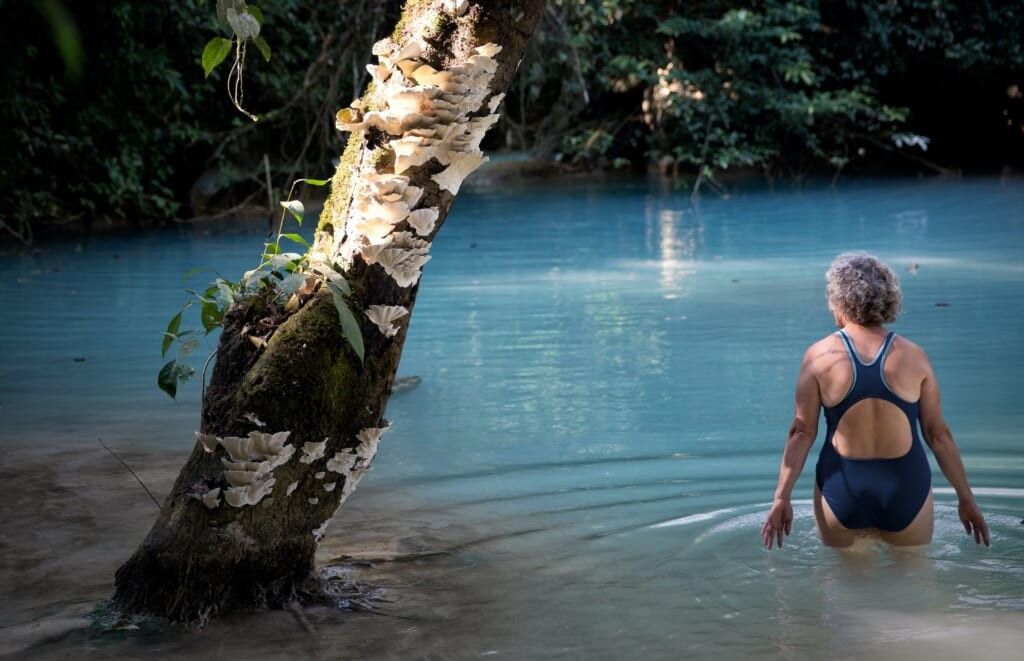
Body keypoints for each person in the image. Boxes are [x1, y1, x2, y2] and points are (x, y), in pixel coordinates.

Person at [761, 252, 990, 550]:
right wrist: (966, 498)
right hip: (905, 488)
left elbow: (802, 432)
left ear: (839, 300)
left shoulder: (819, 356)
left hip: (841, 491)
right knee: (915, 586)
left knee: (844, 590)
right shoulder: (914, 356)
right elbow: (938, 435)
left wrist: (781, 497)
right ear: (888, 299)